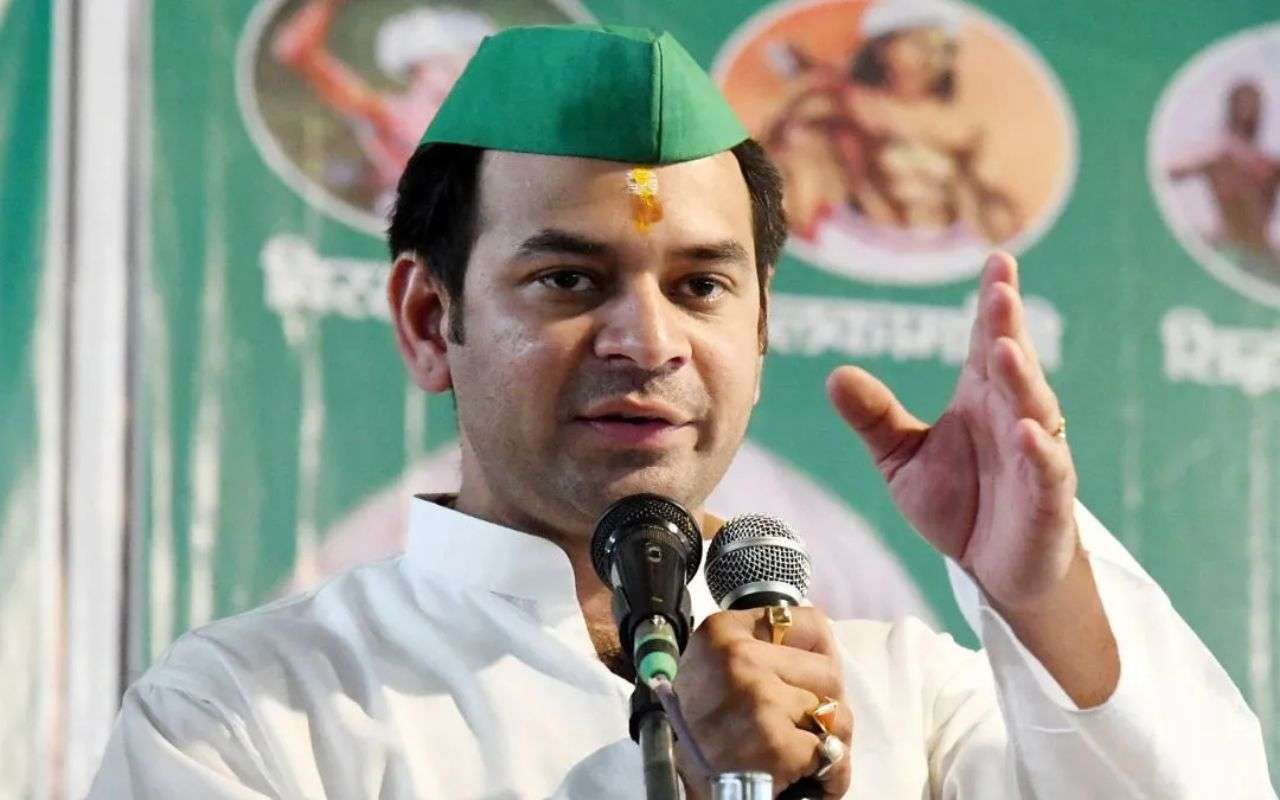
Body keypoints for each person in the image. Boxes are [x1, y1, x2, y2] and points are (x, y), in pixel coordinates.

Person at [90, 24, 1273, 799]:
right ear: (425, 316)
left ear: (758, 329)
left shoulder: (901, 694)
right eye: (569, 279)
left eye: (701, 285)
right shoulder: (249, 710)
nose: (647, 340)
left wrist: (1039, 587)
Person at [763, 0, 1019, 248]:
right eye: (919, 44)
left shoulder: (960, 126)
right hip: (857, 241)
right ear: (882, 48)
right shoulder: (840, 101)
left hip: (941, 248)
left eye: (944, 49)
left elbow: (990, 205)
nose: (932, 57)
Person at [273, 0, 495, 210]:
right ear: (417, 68)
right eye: (447, 65)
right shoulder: (388, 113)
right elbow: (296, 50)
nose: (461, 73)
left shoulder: (483, 120)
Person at [1167, 80, 1280, 277]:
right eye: (1245, 105)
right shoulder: (1218, 154)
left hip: (1262, 253)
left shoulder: (1267, 163)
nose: (1251, 112)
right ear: (1233, 108)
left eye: (1255, 106)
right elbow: (1173, 170)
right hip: (1230, 247)